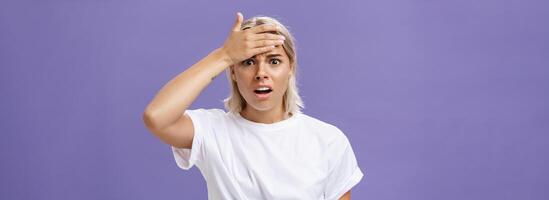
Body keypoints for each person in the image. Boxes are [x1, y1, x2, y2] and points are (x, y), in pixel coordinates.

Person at [143, 12, 364, 200]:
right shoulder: (212, 131)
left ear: (291, 68)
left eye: (274, 61)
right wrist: (224, 55)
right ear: (233, 72)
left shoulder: (328, 141)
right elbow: (156, 117)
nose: (261, 74)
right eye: (248, 62)